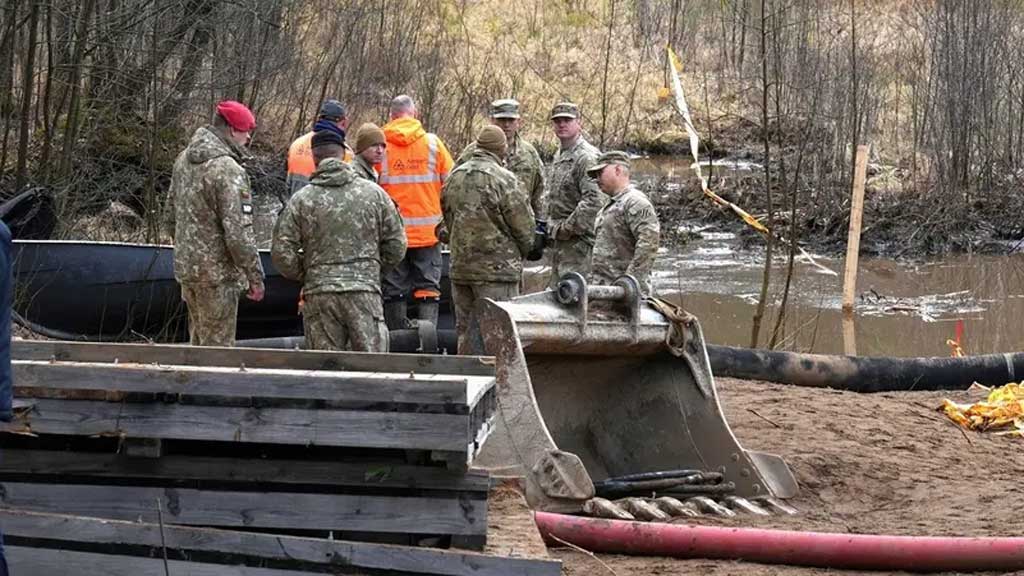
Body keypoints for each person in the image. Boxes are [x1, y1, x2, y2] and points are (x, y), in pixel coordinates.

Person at [272, 130, 406, 351]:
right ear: (345, 155)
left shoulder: (301, 200)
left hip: (320, 295)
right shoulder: (375, 194)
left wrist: (310, 273)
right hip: (364, 292)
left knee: (325, 370)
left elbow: (281, 252)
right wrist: (371, 270)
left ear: (314, 159)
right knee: (373, 368)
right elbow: (397, 244)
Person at [165, 100, 264, 347]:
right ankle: (210, 387)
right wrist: (255, 275)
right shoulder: (228, 170)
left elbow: (170, 216)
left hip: (188, 271)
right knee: (218, 351)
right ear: (232, 130)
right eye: (246, 131)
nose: (248, 137)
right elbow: (239, 233)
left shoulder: (182, 161)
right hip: (219, 276)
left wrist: (188, 250)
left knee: (197, 343)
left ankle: (190, 386)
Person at [442, 126, 534, 352]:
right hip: (497, 274)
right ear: (501, 149)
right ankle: (498, 385)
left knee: (465, 332)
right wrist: (524, 251)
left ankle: (469, 381)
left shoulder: (455, 177)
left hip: (461, 270)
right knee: (500, 334)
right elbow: (524, 228)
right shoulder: (504, 179)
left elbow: (448, 219)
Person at [377, 94, 454, 329]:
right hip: (429, 233)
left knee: (393, 288)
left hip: (393, 234)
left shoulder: (380, 146)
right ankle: (427, 338)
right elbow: (451, 184)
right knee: (428, 286)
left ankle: (398, 338)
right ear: (415, 113)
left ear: (392, 116)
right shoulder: (433, 144)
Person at [546, 102, 607, 287]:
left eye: (567, 120)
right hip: (562, 242)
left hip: (580, 242)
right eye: (557, 121)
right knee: (560, 294)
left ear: (579, 123)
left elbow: (594, 201)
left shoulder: (586, 157)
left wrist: (566, 228)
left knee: (575, 296)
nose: (562, 124)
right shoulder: (560, 154)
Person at [456, 98, 546, 222]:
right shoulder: (473, 152)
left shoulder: (529, 154)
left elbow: (539, 193)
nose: (506, 125)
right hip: (484, 228)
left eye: (511, 120)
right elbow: (455, 186)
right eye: (502, 120)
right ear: (492, 121)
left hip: (520, 226)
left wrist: (539, 225)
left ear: (519, 122)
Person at [588, 151, 661, 295]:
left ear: (617, 169)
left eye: (600, 173)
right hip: (605, 291)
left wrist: (630, 282)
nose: (597, 179)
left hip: (625, 295)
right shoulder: (608, 205)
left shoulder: (636, 202)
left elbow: (649, 244)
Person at [286, 99, 354, 195]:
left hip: (295, 202)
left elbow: (288, 183)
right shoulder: (344, 151)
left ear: (319, 118)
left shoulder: (296, 144)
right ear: (344, 123)